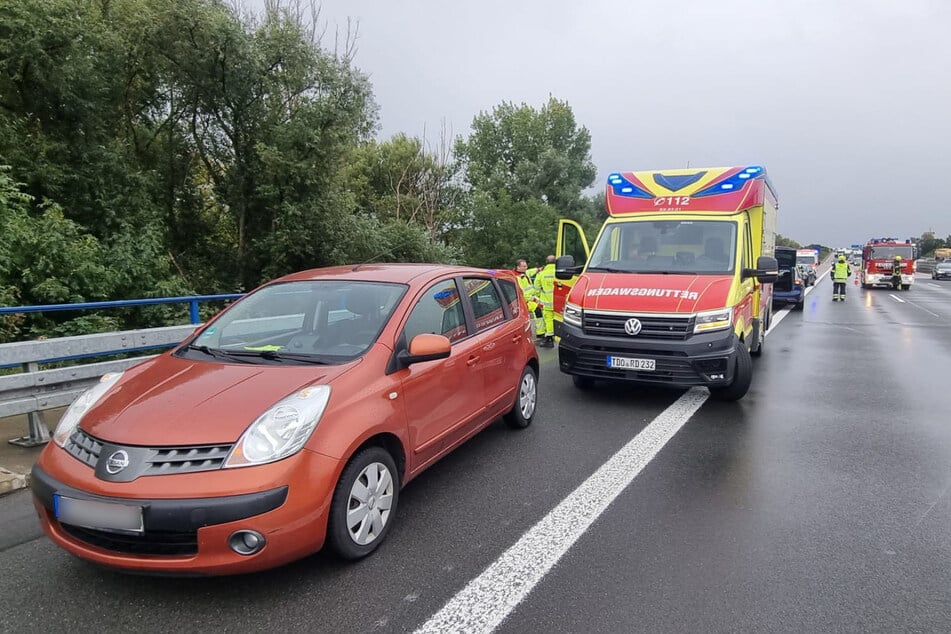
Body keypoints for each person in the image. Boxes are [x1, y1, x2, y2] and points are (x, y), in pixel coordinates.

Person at [515, 258, 545, 338]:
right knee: (537, 310)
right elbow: (523, 293)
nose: (526, 267)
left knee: (541, 308)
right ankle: (540, 332)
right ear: (518, 267)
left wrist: (539, 269)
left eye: (526, 266)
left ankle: (541, 331)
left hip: (531, 298)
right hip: (526, 300)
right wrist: (534, 299)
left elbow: (532, 271)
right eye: (524, 266)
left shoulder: (526, 273)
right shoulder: (517, 278)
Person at [535, 255, 557, 347]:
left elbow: (536, 288)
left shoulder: (541, 274)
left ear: (546, 262)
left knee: (548, 320)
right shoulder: (559, 272)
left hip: (547, 303)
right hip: (559, 302)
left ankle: (549, 339)